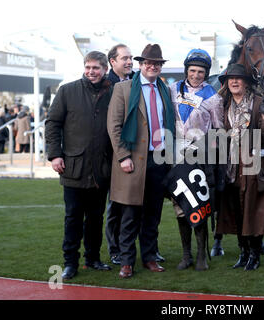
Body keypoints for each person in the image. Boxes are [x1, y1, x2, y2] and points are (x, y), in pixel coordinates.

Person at [107, 44, 176, 278]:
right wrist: (123, 157)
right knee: (129, 215)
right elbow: (114, 126)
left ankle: (149, 257)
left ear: (160, 66)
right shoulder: (123, 88)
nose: (152, 66)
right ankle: (127, 261)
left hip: (159, 159)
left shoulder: (165, 89)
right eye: (148, 62)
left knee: (152, 214)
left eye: (156, 63)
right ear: (140, 64)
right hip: (133, 160)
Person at [45, 51, 113, 280]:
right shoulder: (67, 90)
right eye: (88, 67)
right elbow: (52, 123)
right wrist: (55, 155)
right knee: (73, 217)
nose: (91, 72)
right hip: (73, 167)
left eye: (96, 68)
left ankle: (93, 258)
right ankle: (70, 263)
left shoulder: (113, 92)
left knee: (96, 217)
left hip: (101, 168)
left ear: (104, 69)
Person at [216, 63, 264, 271]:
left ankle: (255, 254)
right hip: (230, 163)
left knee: (255, 208)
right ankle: (243, 252)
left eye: (238, 78)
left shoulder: (258, 102)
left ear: (246, 82)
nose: (234, 81)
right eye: (230, 78)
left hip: (254, 161)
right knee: (235, 209)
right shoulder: (223, 104)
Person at [169, 49, 223, 271]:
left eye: (201, 71)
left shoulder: (213, 96)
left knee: (198, 205)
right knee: (180, 206)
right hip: (174, 157)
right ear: (186, 70)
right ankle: (186, 255)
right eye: (192, 70)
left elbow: (219, 130)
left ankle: (201, 254)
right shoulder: (172, 89)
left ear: (206, 73)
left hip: (199, 158)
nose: (196, 75)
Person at [104, 43, 135, 266]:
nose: (129, 61)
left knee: (133, 206)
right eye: (124, 58)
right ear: (112, 62)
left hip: (134, 154)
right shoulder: (105, 86)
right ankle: (115, 249)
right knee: (115, 205)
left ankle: (135, 249)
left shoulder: (136, 82)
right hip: (110, 155)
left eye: (130, 58)